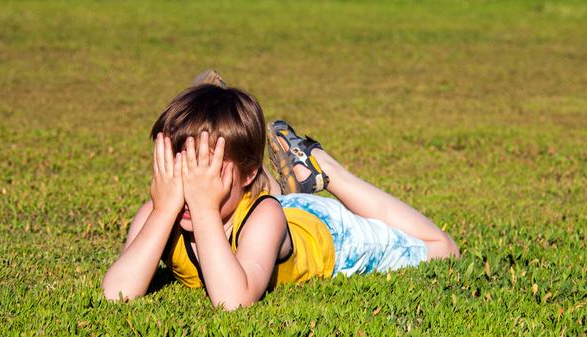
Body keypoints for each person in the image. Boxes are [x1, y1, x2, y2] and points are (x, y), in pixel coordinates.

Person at [101, 71, 459, 309]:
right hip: (257, 195)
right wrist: (163, 211)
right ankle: (224, 112)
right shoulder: (160, 213)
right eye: (184, 170)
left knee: (443, 249)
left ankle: (324, 169)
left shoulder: (264, 217)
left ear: (243, 177)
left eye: (207, 173)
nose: (193, 188)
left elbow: (234, 300)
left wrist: (207, 210)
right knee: (264, 196)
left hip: (328, 236)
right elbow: (116, 293)